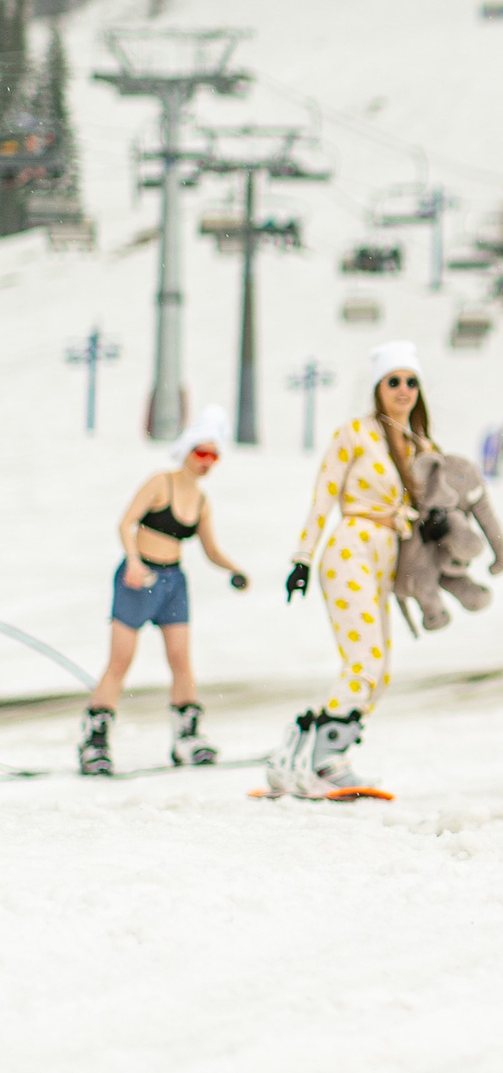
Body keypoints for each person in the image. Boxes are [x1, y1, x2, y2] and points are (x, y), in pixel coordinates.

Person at [271, 342, 438, 798]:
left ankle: (326, 755)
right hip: (350, 550)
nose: (403, 390)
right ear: (378, 388)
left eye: (411, 381)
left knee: (379, 671)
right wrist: (302, 558)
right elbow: (323, 495)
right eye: (393, 381)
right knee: (362, 660)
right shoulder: (355, 433)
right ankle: (306, 755)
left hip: (386, 559)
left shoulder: (422, 445)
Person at [79, 409, 251, 776]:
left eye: (214, 455)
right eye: (201, 453)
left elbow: (210, 548)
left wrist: (234, 569)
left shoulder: (202, 502)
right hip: (137, 578)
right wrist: (133, 562)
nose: (207, 462)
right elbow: (126, 523)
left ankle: (187, 736)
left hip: (173, 582)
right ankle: (95, 740)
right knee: (120, 660)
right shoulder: (161, 482)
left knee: (181, 659)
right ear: (187, 450)